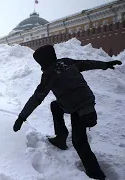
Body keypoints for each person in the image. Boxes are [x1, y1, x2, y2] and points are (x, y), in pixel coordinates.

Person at [12, 44, 122, 180]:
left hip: (79, 109)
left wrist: (21, 117)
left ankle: (96, 174)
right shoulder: (67, 62)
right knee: (55, 105)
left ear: (43, 61)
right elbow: (88, 64)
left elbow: (36, 98)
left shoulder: (48, 75)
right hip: (86, 101)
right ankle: (61, 138)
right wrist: (105, 64)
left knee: (79, 143)